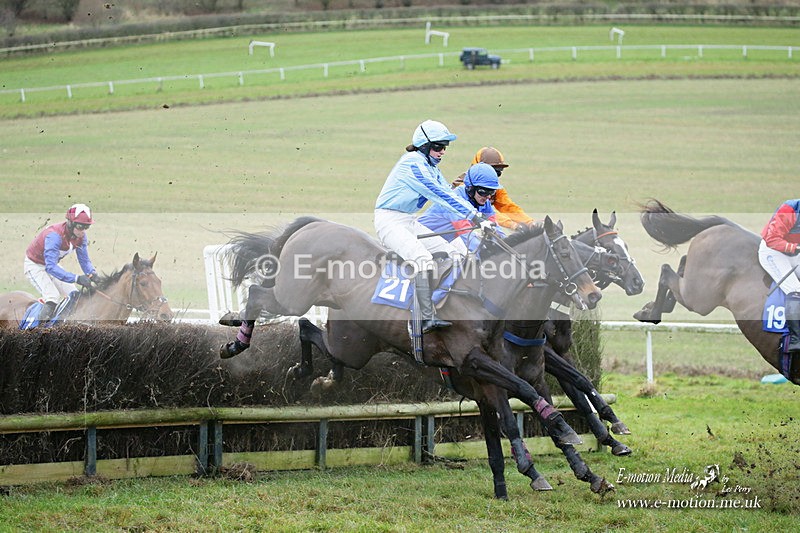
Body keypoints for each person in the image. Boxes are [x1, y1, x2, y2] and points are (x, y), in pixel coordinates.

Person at [374, 120, 491, 333]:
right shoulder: (412, 163)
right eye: (438, 147)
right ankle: (422, 319)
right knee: (423, 260)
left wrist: (475, 213)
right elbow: (440, 195)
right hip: (388, 220)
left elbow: (445, 192)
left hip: (409, 221)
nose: (443, 151)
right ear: (425, 146)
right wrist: (475, 218)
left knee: (456, 253)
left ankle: (448, 306)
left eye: (445, 147)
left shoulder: (430, 166)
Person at [24, 203, 99, 324]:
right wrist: (76, 278)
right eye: (80, 226)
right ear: (70, 223)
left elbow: (84, 260)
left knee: (74, 295)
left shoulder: (81, 237)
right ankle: (35, 333)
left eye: (86, 227)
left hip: (51, 265)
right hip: (35, 266)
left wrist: (92, 274)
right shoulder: (54, 236)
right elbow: (50, 267)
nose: (83, 231)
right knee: (52, 297)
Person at [418, 162, 505, 252]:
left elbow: (495, 228)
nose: (488, 196)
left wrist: (508, 245)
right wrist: (486, 252)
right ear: (470, 188)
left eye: (492, 192)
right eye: (483, 192)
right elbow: (466, 235)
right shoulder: (457, 200)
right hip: (421, 242)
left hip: (442, 241)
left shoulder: (484, 202)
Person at [452, 146, 536, 231]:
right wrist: (512, 225)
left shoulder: (494, 187)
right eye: (491, 170)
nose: (493, 175)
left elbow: (507, 206)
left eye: (498, 172)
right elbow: (485, 213)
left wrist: (530, 223)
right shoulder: (466, 188)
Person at [759, 199, 800, 354]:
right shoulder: (790, 209)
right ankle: (796, 340)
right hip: (773, 252)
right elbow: (772, 239)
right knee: (795, 289)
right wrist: (795, 247)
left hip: (796, 252)